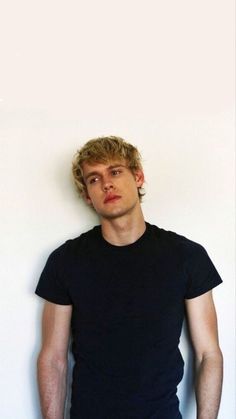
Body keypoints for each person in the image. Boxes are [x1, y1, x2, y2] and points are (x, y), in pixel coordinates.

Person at [36, 136, 223, 419]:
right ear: (88, 195)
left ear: (138, 176)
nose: (107, 184)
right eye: (94, 179)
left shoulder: (186, 256)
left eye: (115, 171)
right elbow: (53, 359)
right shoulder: (66, 261)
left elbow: (208, 354)